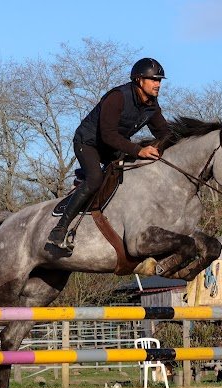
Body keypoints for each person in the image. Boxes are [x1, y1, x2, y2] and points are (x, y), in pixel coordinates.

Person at [47, 57, 172, 250]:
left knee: (134, 171)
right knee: (95, 178)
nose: (158, 84)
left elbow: (164, 132)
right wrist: (139, 150)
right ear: (139, 80)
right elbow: (108, 135)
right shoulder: (118, 97)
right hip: (88, 143)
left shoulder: (151, 105)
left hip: (112, 146)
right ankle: (60, 229)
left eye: (160, 80)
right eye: (154, 79)